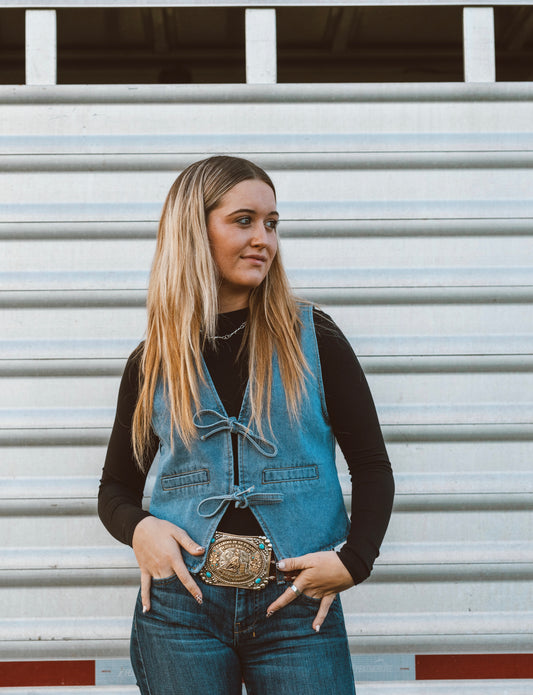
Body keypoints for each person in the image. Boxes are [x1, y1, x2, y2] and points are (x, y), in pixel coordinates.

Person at [98, 155, 394, 695]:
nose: (264, 238)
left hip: (295, 608)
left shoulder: (314, 338)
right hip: (181, 610)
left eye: (272, 223)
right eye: (244, 220)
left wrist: (355, 561)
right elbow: (114, 488)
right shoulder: (153, 361)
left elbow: (373, 466)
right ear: (194, 229)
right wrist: (140, 530)